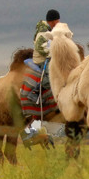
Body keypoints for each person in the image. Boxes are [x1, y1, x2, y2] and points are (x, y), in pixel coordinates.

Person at [24, 10, 62, 140]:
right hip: (41, 59)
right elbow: (39, 47)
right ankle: (36, 90)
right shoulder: (43, 32)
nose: (58, 23)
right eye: (56, 21)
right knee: (50, 74)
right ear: (51, 21)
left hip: (48, 56)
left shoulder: (52, 31)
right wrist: (52, 52)